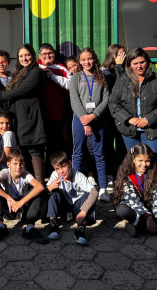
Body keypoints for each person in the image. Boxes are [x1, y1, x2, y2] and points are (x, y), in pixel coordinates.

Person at [0, 44, 47, 184]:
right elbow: (10, 91)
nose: (24, 58)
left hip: (31, 118)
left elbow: (20, 91)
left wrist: (0, 96)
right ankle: (26, 188)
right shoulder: (19, 72)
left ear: (33, 56)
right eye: (21, 56)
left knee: (34, 151)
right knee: (22, 154)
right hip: (19, 119)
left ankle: (39, 189)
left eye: (27, 55)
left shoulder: (35, 72)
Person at [108, 48, 157, 166]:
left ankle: (156, 185)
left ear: (147, 62)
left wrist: (148, 119)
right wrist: (128, 119)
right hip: (129, 130)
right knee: (135, 163)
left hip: (153, 129)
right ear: (129, 64)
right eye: (135, 63)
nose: (139, 66)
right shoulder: (122, 80)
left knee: (152, 162)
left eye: (142, 62)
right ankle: (139, 185)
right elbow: (113, 103)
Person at [69, 48, 110, 202]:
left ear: (94, 59)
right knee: (78, 153)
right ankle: (76, 187)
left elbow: (105, 99)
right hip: (79, 121)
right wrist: (85, 120)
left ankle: (104, 188)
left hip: (97, 119)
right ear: (79, 61)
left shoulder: (101, 76)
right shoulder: (76, 78)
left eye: (90, 59)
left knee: (99, 154)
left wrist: (93, 116)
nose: (87, 62)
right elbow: (74, 101)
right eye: (84, 59)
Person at [114, 143, 157, 240]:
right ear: (133, 159)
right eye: (140, 160)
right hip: (132, 206)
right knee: (121, 210)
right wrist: (148, 217)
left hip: (149, 206)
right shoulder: (126, 175)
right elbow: (133, 200)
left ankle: (138, 226)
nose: (144, 164)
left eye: (147, 161)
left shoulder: (153, 174)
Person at [0, 148, 48, 245]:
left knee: (37, 191)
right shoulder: (5, 172)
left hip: (23, 209)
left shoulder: (26, 174)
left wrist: (21, 202)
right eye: (15, 163)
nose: (18, 167)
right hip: (9, 208)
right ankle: (0, 226)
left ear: (24, 164)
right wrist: (7, 197)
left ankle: (30, 228)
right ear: (8, 164)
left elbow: (40, 187)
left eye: (21, 163)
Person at [46, 150, 98, 245]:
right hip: (64, 208)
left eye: (63, 166)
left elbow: (94, 192)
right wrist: (49, 187)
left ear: (70, 163)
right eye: (57, 168)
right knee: (54, 194)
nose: (61, 171)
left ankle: (80, 229)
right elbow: (43, 194)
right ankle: (53, 223)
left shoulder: (78, 175)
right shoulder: (54, 175)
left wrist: (83, 211)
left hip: (78, 208)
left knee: (88, 196)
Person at [37, 43, 72, 168]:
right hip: (38, 113)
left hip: (56, 113)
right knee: (39, 145)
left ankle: (53, 170)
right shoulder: (34, 65)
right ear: (39, 55)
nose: (48, 56)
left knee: (55, 143)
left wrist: (52, 75)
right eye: (44, 54)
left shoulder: (61, 67)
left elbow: (71, 85)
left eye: (50, 53)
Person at [101, 44, 127, 189]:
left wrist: (120, 67)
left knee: (123, 147)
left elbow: (126, 84)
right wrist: (118, 67)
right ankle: (109, 175)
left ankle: (122, 175)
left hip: (123, 114)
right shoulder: (104, 71)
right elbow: (114, 85)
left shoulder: (125, 70)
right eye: (121, 54)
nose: (124, 57)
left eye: (125, 54)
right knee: (108, 146)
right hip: (108, 115)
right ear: (113, 55)